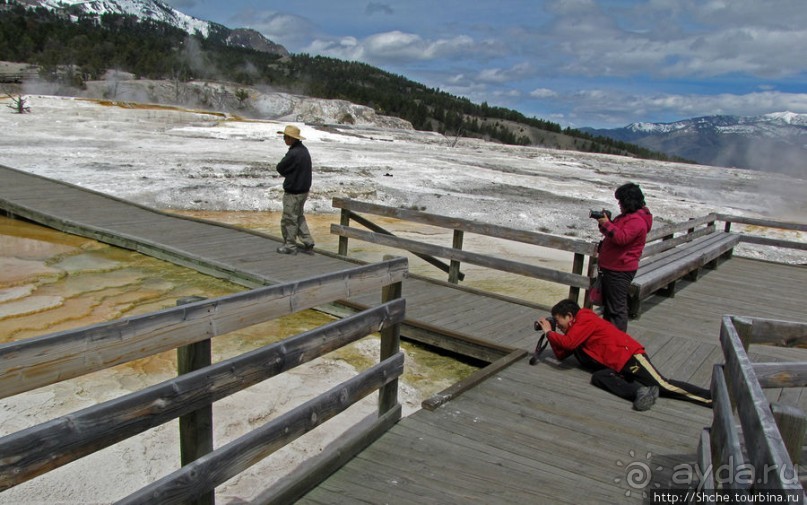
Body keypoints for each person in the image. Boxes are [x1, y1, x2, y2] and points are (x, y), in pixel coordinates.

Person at [536, 299, 711, 411]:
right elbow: (561, 354)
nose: (557, 326)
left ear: (569, 316)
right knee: (599, 377)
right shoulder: (575, 329)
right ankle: (640, 391)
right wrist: (549, 334)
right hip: (615, 366)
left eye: (558, 321)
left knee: (664, 385)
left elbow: (568, 344)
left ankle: (710, 398)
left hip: (630, 357)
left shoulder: (585, 319)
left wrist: (550, 332)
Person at [594, 182, 652, 331]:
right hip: (613, 268)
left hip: (619, 270)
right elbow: (617, 234)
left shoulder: (636, 220)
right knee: (611, 308)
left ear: (628, 201)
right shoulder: (630, 216)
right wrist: (605, 223)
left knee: (617, 310)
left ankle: (617, 345)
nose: (619, 204)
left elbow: (621, 238)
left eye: (620, 201)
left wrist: (607, 224)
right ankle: (609, 341)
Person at [275, 124, 315, 255]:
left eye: (285, 137)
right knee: (298, 216)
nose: (284, 139)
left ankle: (290, 246)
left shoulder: (293, 153)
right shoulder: (304, 150)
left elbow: (280, 167)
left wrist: (288, 174)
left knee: (289, 219)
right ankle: (308, 241)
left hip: (294, 191)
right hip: (303, 190)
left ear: (291, 138)